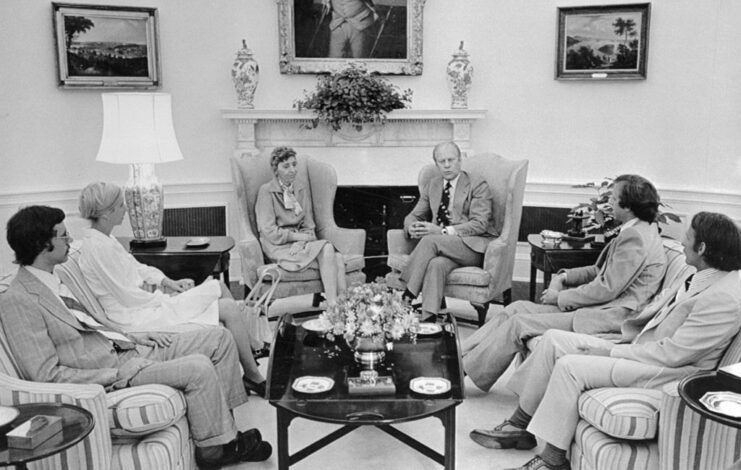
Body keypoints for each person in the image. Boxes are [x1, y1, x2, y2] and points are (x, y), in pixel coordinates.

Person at [0, 205, 272, 469]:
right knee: (198, 367)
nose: (70, 239)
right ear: (40, 244)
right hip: (113, 371)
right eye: (61, 235)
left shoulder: (55, 277)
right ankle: (213, 452)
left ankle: (225, 434)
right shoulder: (18, 300)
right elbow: (46, 375)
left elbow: (94, 323)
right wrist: (111, 375)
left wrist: (136, 336)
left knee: (219, 339)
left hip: (125, 348)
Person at [470, 211, 741, 470]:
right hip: (646, 349)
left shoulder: (724, 296)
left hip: (669, 371)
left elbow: (675, 354)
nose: (682, 242)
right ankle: (520, 427)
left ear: (703, 248)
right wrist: (613, 343)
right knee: (553, 340)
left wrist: (611, 352)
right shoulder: (702, 277)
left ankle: (552, 460)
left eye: (688, 236)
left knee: (570, 366)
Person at [462, 174, 667, 391]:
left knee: (519, 322)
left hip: (609, 317)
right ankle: (461, 355)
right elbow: (601, 271)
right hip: (601, 307)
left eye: (614, 199)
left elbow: (606, 289)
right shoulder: (638, 230)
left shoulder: (635, 237)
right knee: (516, 308)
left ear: (629, 207)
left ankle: (462, 371)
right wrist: (564, 276)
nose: (609, 203)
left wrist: (560, 297)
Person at [76, 182, 267, 398]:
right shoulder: (97, 248)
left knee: (219, 287)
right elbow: (128, 296)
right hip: (136, 318)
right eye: (121, 205)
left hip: (143, 307)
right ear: (107, 213)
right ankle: (253, 373)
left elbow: (137, 268)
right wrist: (166, 297)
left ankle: (251, 350)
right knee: (229, 307)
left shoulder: (106, 239)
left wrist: (168, 282)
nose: (126, 209)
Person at [400, 141, 498, 320]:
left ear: (460, 161)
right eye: (441, 161)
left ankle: (406, 297)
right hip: (444, 249)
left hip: (472, 247)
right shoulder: (433, 184)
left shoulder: (477, 184)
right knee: (436, 264)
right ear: (436, 164)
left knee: (430, 240)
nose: (446, 165)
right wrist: (411, 226)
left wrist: (442, 231)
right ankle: (429, 318)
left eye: (450, 160)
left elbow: (480, 224)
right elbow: (412, 216)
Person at [255, 146, 346, 306]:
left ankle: (341, 305)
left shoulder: (300, 189)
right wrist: (297, 237)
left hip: (301, 243)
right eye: (286, 166)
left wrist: (301, 241)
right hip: (279, 246)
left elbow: (309, 225)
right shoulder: (266, 191)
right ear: (276, 170)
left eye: (294, 164)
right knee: (330, 252)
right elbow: (269, 232)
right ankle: (333, 305)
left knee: (337, 257)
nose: (292, 170)